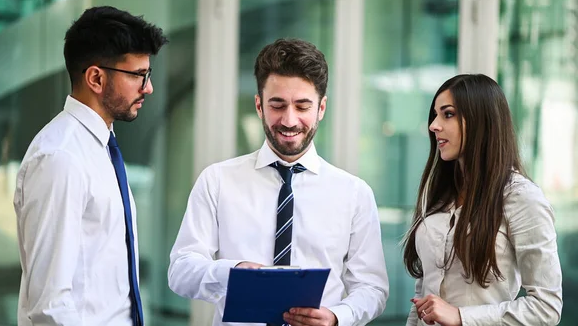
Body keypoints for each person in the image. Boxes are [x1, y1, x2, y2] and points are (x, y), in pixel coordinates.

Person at [167, 38, 389, 326]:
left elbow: (372, 288)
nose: (289, 120)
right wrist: (235, 273)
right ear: (259, 106)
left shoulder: (354, 193)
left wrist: (336, 317)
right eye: (277, 105)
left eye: (302, 106)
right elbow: (180, 272)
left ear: (321, 108)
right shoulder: (217, 181)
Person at [13, 6, 168, 326]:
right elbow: (50, 306)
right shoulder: (60, 159)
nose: (148, 88)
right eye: (139, 75)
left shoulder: (101, 149)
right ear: (96, 78)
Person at [402, 74, 563, 326]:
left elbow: (546, 307)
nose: (433, 125)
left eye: (448, 114)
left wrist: (461, 317)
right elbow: (423, 297)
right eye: (435, 115)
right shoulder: (440, 195)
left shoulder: (521, 198)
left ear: (481, 121)